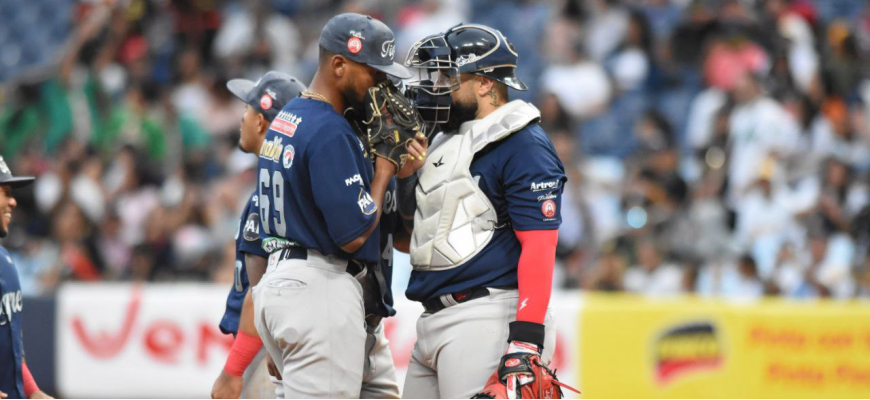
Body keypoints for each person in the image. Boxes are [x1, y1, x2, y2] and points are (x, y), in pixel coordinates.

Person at [248, 13, 425, 398]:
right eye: (373, 73)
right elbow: (353, 234)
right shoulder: (330, 130)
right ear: (339, 65)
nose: (381, 84)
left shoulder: (289, 117)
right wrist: (384, 170)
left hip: (290, 285)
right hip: (319, 290)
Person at [400, 24, 567, 398]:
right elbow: (417, 233)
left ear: (485, 84)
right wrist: (404, 178)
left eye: (449, 76)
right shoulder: (446, 137)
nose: (438, 86)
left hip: (487, 316)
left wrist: (525, 339)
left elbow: (540, 244)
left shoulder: (523, 141)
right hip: (432, 318)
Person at [210, 71, 306, 399]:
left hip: (266, 347)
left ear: (263, 122)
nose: (242, 117)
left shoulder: (273, 193)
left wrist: (234, 368)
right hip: (263, 342)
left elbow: (261, 287)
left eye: (249, 109)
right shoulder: (276, 185)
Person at [0, 158, 52, 399]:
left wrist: (33, 392)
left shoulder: (6, 261)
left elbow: (11, 351)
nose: (13, 201)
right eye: (4, 192)